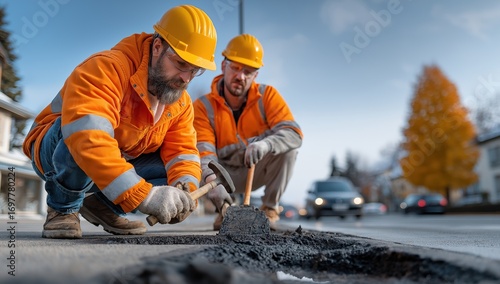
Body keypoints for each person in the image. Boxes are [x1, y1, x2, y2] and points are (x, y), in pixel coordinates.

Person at [22, 5, 218, 239]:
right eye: (181, 64)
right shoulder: (106, 68)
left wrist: (185, 190)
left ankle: (101, 205)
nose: (186, 78)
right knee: (83, 131)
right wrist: (145, 196)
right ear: (158, 47)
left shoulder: (180, 102)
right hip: (54, 149)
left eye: (195, 70)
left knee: (172, 176)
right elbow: (89, 138)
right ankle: (62, 210)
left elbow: (183, 152)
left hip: (116, 158)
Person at [193, 34, 303, 230]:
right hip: (224, 175)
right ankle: (225, 211)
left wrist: (266, 144)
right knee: (200, 165)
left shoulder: (267, 96)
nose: (240, 76)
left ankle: (269, 210)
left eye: (248, 71)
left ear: (255, 76)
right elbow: (204, 152)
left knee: (289, 150)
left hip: (256, 170)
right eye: (235, 67)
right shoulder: (203, 107)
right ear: (223, 66)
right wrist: (212, 182)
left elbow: (293, 133)